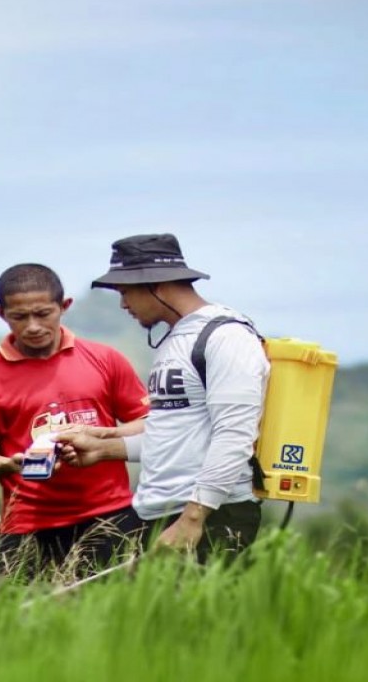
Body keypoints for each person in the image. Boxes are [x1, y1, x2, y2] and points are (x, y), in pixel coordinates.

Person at [56, 233, 269, 564]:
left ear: (156, 284)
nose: (123, 304)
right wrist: (104, 448)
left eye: (126, 292)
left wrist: (193, 518)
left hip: (213, 513)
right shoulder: (175, 339)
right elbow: (173, 432)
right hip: (159, 511)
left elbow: (234, 434)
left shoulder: (227, 337)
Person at [0, 263, 150, 581]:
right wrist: (11, 464)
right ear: (0, 313)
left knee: (117, 615)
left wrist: (98, 439)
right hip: (27, 525)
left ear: (64, 307)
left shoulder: (105, 359)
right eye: (19, 317)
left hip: (110, 515)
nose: (33, 326)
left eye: (43, 313)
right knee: (21, 621)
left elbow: (146, 423)